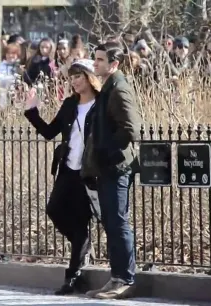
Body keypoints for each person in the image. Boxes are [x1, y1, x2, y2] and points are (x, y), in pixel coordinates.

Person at [24, 59, 101, 295]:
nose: (74, 81)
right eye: (71, 77)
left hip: (88, 173)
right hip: (67, 168)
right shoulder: (70, 104)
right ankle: (83, 246)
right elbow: (49, 132)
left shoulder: (101, 105)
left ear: (89, 77)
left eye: (78, 76)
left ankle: (72, 277)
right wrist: (31, 111)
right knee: (54, 210)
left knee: (80, 221)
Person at [85, 41, 142, 300]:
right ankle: (117, 276)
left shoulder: (119, 88)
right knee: (111, 220)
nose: (95, 63)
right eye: (95, 58)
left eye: (99, 60)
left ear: (114, 64)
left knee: (118, 222)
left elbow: (131, 128)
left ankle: (126, 278)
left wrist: (108, 151)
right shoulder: (108, 86)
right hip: (108, 166)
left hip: (118, 166)